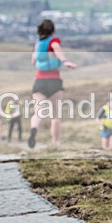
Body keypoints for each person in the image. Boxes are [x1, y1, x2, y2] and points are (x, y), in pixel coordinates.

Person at [27, 19, 76, 149]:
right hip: (54, 80)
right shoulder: (53, 42)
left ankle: (34, 129)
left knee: (39, 112)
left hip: (39, 81)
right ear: (53, 30)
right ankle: (55, 143)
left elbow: (33, 62)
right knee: (56, 115)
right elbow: (56, 49)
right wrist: (65, 61)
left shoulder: (37, 45)